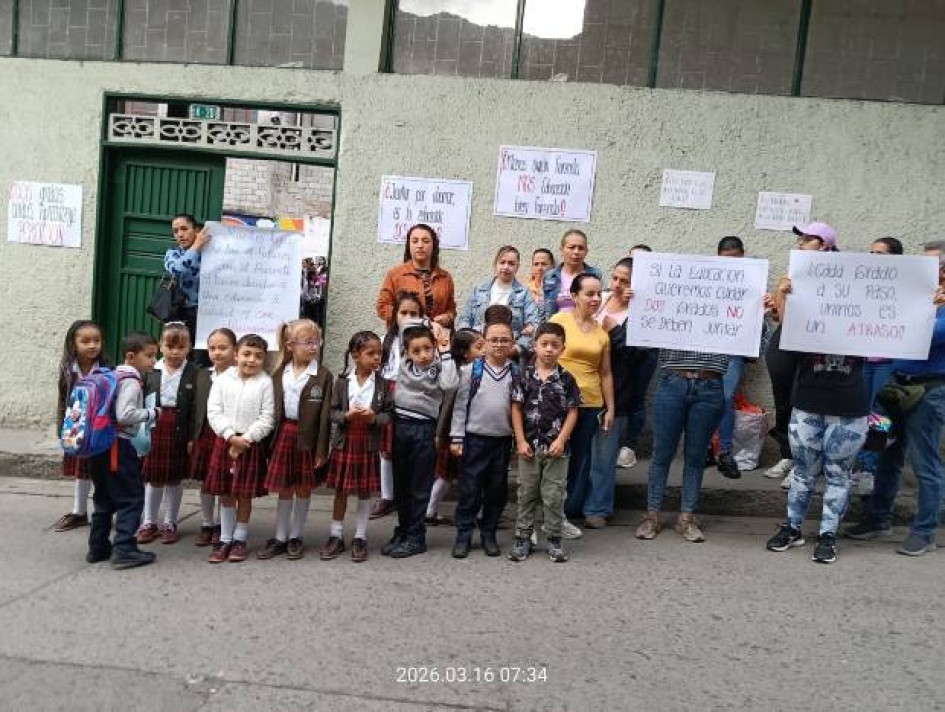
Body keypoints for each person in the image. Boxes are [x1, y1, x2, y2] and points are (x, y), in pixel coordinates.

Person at [845, 245, 945, 556]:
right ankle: (878, 519)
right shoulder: (911, 296)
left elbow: (923, 335)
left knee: (924, 460)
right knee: (885, 449)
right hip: (893, 388)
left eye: (931, 263)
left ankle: (925, 531)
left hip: (929, 392)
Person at [766, 278, 869, 563]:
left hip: (849, 408)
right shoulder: (808, 320)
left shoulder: (866, 321)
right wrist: (783, 295)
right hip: (808, 405)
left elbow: (898, 329)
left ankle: (827, 535)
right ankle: (792, 527)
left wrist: (927, 307)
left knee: (839, 475)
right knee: (803, 472)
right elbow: (788, 331)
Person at [765, 221, 838, 487]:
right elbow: (780, 318)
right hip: (785, 343)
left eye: (807, 238)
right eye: (800, 238)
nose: (800, 242)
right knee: (783, 399)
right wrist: (778, 299)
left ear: (825, 245)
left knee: (806, 402)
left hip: (816, 346)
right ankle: (788, 454)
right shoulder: (792, 271)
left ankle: (805, 461)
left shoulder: (840, 274)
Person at [636, 346, 729, 543]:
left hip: (710, 383)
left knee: (696, 456)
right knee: (661, 453)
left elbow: (752, 344)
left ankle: (687, 517)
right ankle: (652, 515)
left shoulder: (730, 315)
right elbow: (643, 342)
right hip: (673, 380)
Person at [258, 320, 333, 561]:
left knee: (303, 489)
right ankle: (280, 537)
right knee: (284, 490)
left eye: (317, 342)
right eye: (308, 342)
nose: (314, 347)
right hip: (284, 436)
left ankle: (296, 536)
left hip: (307, 440)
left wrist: (322, 449)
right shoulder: (279, 373)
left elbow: (324, 418)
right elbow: (271, 411)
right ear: (291, 345)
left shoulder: (323, 376)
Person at [383, 320, 459, 559]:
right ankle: (403, 530)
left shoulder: (439, 367)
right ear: (406, 353)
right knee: (402, 485)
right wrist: (425, 323)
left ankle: (416, 537)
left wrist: (444, 350)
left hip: (423, 430)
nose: (423, 355)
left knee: (418, 486)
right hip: (400, 427)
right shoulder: (404, 364)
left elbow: (450, 385)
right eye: (416, 351)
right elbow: (406, 324)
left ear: (434, 346)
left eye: (428, 348)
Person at [508, 322, 582, 563]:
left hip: (556, 449)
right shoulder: (523, 377)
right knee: (527, 492)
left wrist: (562, 439)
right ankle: (522, 537)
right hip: (528, 447)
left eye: (555, 345)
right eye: (544, 344)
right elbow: (516, 408)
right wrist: (519, 440)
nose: (549, 349)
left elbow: (572, 412)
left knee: (553, 495)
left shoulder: (567, 379)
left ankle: (554, 539)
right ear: (534, 346)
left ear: (563, 348)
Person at [87, 331, 160, 570]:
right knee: (131, 497)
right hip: (118, 446)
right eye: (149, 356)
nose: (153, 361)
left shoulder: (110, 376)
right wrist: (152, 413)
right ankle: (125, 548)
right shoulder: (130, 380)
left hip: (99, 446)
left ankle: (98, 547)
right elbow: (125, 415)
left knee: (104, 497)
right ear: (131, 356)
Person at [549, 273, 615, 538]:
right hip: (557, 402)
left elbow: (606, 373)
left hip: (589, 403)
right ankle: (545, 511)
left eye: (599, 294)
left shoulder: (602, 334)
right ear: (574, 296)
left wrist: (610, 408)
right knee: (553, 455)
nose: (595, 298)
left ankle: (563, 514)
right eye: (589, 293)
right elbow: (543, 356)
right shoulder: (558, 321)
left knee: (577, 459)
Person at [321, 331, 394, 563]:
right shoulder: (343, 383)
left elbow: (389, 415)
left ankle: (360, 537)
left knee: (365, 492)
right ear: (355, 355)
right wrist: (347, 416)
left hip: (368, 444)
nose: (376, 358)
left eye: (379, 354)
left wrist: (374, 418)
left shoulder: (383, 384)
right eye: (370, 353)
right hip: (346, 442)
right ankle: (336, 534)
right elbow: (332, 413)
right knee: (341, 491)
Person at [449, 320, 520, 558]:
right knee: (469, 489)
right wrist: (457, 437)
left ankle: (488, 532)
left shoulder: (516, 373)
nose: (499, 344)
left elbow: (520, 409)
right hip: (474, 439)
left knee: (496, 491)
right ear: (484, 342)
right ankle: (464, 534)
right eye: (494, 340)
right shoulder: (471, 371)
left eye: (504, 340)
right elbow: (459, 407)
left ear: (512, 343)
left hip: (501, 442)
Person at [205, 334, 276, 563]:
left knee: (244, 494)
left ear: (264, 359)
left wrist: (245, 439)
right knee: (226, 493)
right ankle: (225, 538)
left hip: (249, 444)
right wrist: (229, 436)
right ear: (236, 355)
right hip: (225, 442)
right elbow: (213, 411)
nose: (251, 360)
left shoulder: (265, 383)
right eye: (246, 354)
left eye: (258, 356)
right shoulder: (222, 380)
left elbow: (267, 418)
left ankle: (240, 539)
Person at [585, 258, 643, 528]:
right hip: (586, 390)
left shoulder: (641, 312)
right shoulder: (602, 298)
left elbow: (636, 356)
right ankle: (574, 505)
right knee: (582, 454)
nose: (617, 285)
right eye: (616, 278)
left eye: (625, 281)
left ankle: (598, 508)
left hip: (616, 393)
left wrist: (615, 330)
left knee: (604, 456)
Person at [137, 322, 198, 546]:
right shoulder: (151, 371)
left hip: (179, 427)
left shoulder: (194, 372)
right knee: (153, 478)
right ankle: (149, 522)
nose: (174, 351)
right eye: (170, 346)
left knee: (174, 478)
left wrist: (192, 437)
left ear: (189, 347)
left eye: (180, 347)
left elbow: (195, 409)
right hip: (155, 425)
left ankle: (170, 522)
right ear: (161, 346)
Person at [852, 237, 904, 491]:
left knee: (879, 415)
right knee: (861, 412)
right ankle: (861, 463)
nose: (872, 258)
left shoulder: (904, 287)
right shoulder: (862, 284)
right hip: (861, 360)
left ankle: (869, 468)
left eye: (879, 254)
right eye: (870, 252)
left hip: (886, 362)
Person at [370, 291, 425, 520]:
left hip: (413, 395)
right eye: (404, 313)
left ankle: (408, 496)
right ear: (395, 315)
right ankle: (387, 496)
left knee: (409, 448)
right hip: (389, 393)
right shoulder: (387, 340)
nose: (409, 317)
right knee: (387, 449)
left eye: (414, 313)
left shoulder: (424, 342)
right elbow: (378, 370)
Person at [52, 320, 111, 532]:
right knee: (81, 470)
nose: (92, 345)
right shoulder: (68, 370)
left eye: (96, 340)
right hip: (76, 429)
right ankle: (79, 512)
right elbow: (62, 399)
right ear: (73, 343)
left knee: (99, 470)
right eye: (85, 341)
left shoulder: (106, 370)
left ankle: (104, 510)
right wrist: (61, 428)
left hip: (98, 429)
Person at [429, 328, 484, 525]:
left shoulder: (479, 371)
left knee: (454, 474)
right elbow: (448, 408)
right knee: (447, 473)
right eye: (479, 346)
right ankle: (431, 510)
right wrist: (441, 434)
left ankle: (433, 510)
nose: (484, 348)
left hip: (469, 430)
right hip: (454, 433)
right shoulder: (457, 374)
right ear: (465, 353)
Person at [189, 327, 237, 547]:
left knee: (225, 483)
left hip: (228, 436)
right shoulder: (202, 375)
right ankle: (207, 523)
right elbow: (195, 408)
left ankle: (222, 525)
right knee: (206, 483)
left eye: (223, 348)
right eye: (212, 348)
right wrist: (193, 437)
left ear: (235, 350)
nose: (217, 352)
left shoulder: (240, 377)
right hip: (206, 434)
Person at [457, 245, 542, 357]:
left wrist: (516, 349)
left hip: (510, 354)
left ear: (517, 267)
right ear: (495, 264)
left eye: (511, 264)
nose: (506, 267)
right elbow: (464, 319)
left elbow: (534, 326)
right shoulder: (479, 290)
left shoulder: (524, 294)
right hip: (477, 353)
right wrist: (471, 344)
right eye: (502, 262)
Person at [618, 244, 657, 469]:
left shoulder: (656, 290)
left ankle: (629, 447)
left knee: (637, 397)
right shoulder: (616, 287)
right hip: (619, 350)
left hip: (645, 351)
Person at [377, 224, 456, 328]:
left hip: (436, 337)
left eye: (425, 241)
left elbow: (451, 308)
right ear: (409, 246)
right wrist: (409, 318)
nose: (420, 245)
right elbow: (382, 307)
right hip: (404, 336)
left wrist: (447, 317)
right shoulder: (395, 275)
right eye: (415, 241)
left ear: (434, 245)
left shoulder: (445, 277)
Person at [714, 236, 748, 479]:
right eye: (726, 260)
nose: (732, 264)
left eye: (736, 259)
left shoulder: (752, 280)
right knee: (704, 397)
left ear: (743, 256)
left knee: (725, 396)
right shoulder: (708, 279)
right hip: (708, 346)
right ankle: (707, 448)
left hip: (734, 347)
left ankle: (725, 451)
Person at [163, 213, 210, 347]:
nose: (180, 234)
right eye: (175, 231)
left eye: (184, 229)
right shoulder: (172, 253)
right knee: (181, 351)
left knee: (203, 355)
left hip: (208, 313)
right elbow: (178, 269)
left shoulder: (210, 254)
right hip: (181, 313)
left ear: (196, 230)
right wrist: (197, 245)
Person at [543, 230, 604, 317]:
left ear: (586, 251)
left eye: (581, 248)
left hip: (585, 328)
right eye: (571, 247)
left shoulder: (596, 275)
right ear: (562, 249)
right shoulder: (549, 276)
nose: (576, 252)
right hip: (556, 328)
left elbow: (602, 305)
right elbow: (544, 309)